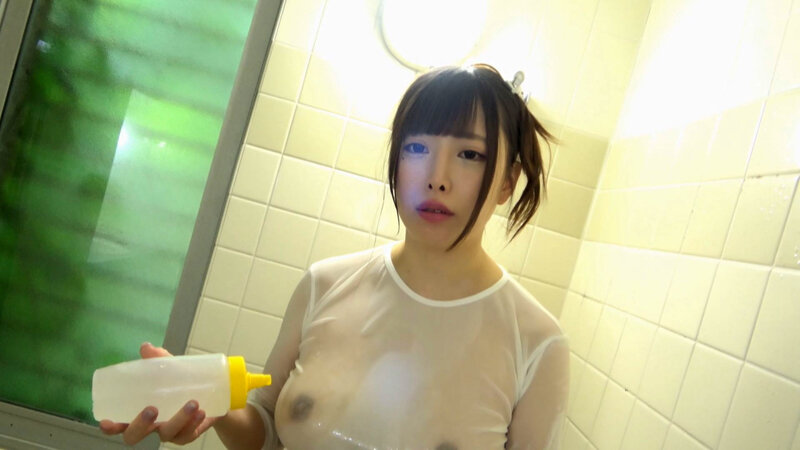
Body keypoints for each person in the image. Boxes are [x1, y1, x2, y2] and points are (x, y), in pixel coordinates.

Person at [100, 63, 570, 449]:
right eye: (416, 147)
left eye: (470, 155)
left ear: (507, 183)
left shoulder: (536, 344)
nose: (436, 177)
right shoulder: (323, 284)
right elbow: (266, 429)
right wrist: (212, 402)